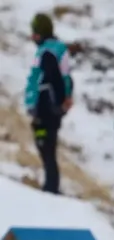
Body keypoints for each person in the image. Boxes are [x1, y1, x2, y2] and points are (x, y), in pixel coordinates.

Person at [23, 13, 74, 195]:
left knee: (44, 143)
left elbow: (49, 81)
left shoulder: (48, 52)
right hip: (51, 108)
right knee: (47, 144)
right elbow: (66, 78)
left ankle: (51, 187)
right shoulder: (57, 49)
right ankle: (50, 184)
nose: (32, 37)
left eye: (35, 33)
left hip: (45, 109)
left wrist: (41, 106)